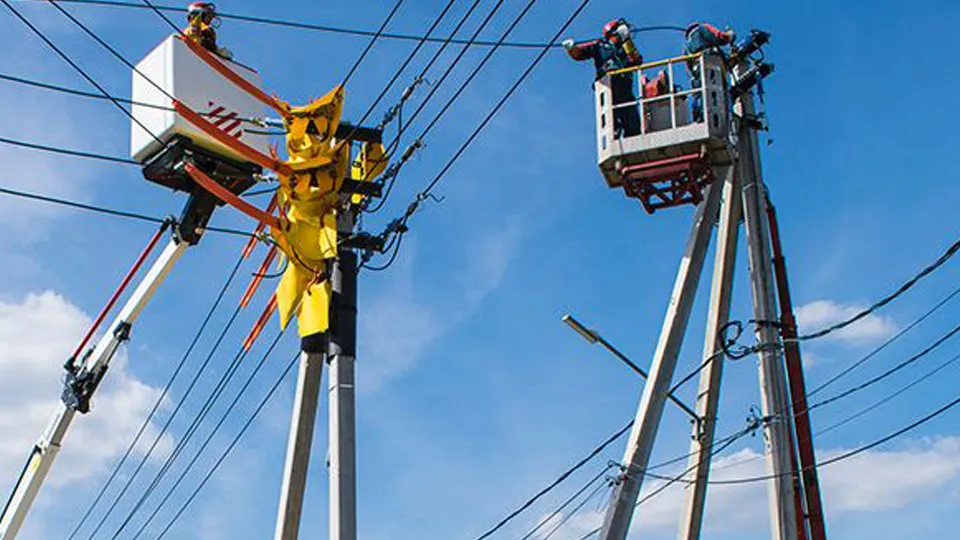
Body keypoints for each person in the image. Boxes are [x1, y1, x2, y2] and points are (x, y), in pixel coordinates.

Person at [563, 19, 644, 137]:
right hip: (608, 86)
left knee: (633, 125)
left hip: (625, 88)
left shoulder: (626, 48)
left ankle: (631, 137)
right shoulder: (600, 46)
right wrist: (571, 48)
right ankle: (615, 131)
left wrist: (627, 40)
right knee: (612, 122)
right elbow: (580, 53)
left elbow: (636, 60)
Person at [683, 22, 735, 121]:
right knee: (716, 93)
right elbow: (720, 37)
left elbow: (688, 68)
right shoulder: (702, 29)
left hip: (697, 73)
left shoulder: (686, 48)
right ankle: (719, 118)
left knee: (701, 95)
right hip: (711, 66)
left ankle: (700, 118)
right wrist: (730, 35)